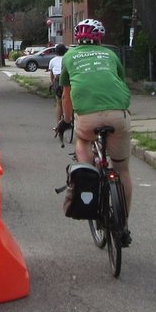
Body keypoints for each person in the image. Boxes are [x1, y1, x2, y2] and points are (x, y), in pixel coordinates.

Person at [57, 19, 134, 245]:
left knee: (82, 140)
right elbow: (119, 81)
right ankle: (122, 225)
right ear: (99, 38)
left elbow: (66, 95)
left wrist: (67, 120)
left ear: (77, 39)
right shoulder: (110, 55)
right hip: (119, 114)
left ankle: (87, 173)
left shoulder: (69, 57)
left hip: (88, 117)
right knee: (122, 169)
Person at [47, 43, 68, 124]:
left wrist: (53, 84)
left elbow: (51, 75)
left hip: (58, 80)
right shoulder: (67, 59)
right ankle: (69, 119)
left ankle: (59, 123)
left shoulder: (52, 60)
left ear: (56, 52)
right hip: (67, 80)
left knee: (59, 103)